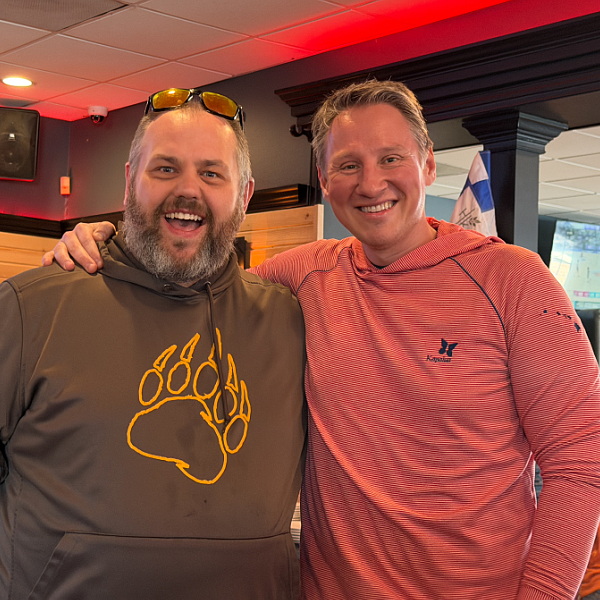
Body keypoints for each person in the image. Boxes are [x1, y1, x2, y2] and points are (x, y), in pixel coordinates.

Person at [44, 79, 600, 600]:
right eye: (348, 165)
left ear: (428, 164)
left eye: (391, 158)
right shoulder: (303, 276)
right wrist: (105, 243)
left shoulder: (513, 280)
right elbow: (192, 281)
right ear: (325, 179)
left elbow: (581, 459)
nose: (371, 183)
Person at [0, 88, 306, 599]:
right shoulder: (29, 308)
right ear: (128, 181)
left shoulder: (291, 318)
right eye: (165, 168)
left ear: (245, 195)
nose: (187, 190)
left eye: (212, 174)